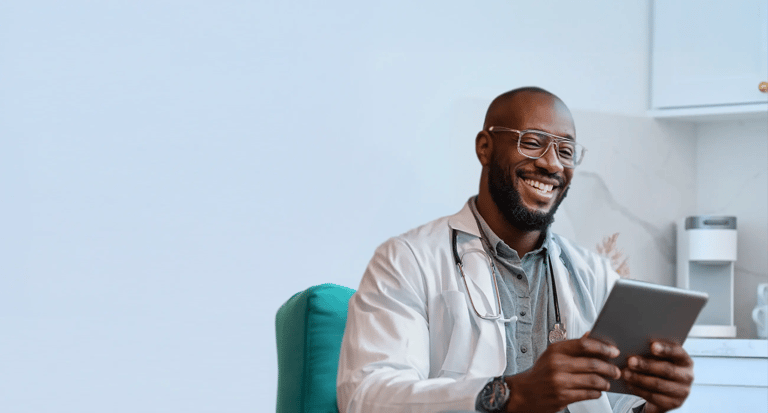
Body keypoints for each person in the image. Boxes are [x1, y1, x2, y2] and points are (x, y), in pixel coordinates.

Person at [336, 87, 694, 413]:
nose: (552, 164)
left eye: (565, 151)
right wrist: (512, 394)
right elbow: (367, 396)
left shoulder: (594, 274)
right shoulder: (408, 260)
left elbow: (617, 406)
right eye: (533, 142)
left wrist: (653, 402)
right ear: (485, 147)